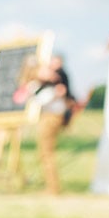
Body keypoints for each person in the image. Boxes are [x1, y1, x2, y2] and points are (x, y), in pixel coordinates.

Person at [31, 54, 73, 194]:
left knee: (46, 152)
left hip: (51, 117)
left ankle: (52, 187)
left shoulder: (57, 85)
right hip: (49, 116)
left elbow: (42, 100)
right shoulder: (43, 86)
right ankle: (50, 185)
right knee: (44, 153)